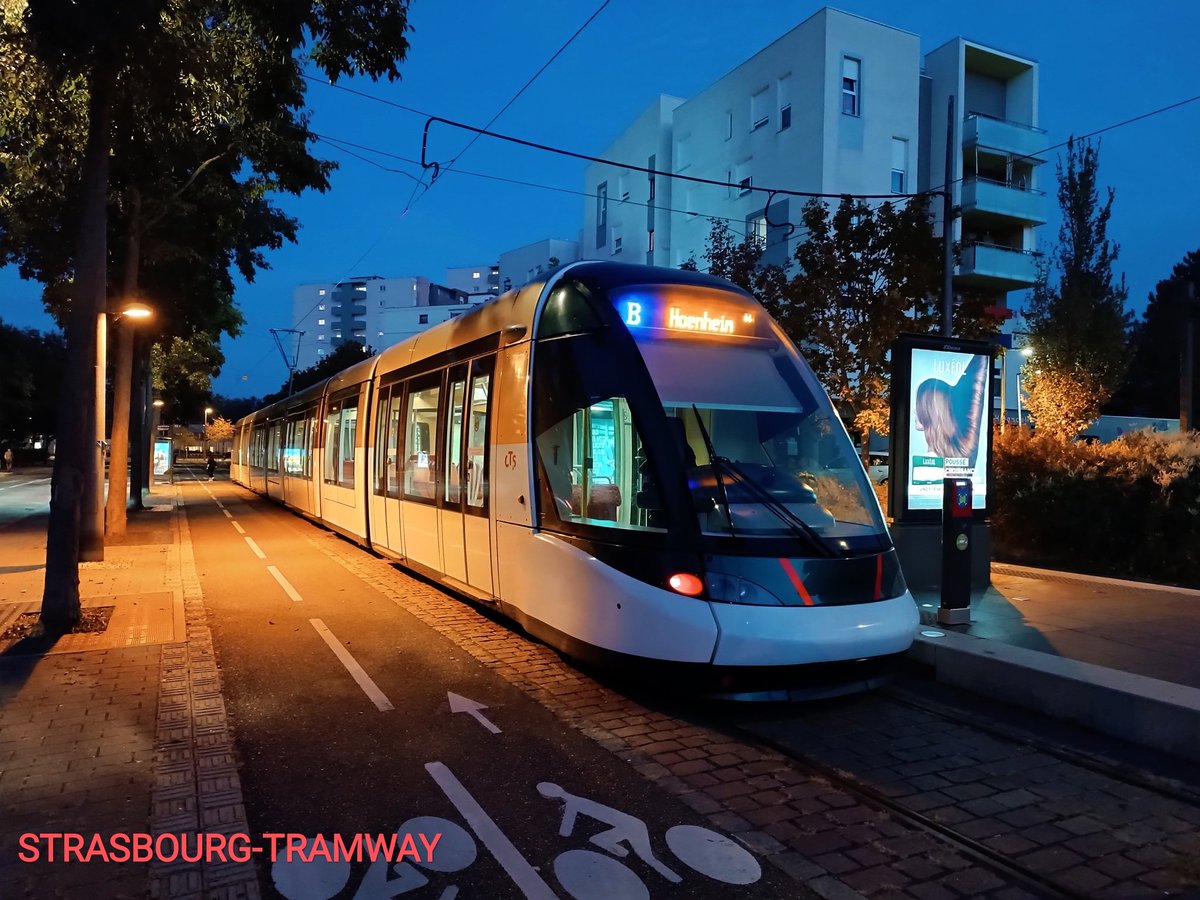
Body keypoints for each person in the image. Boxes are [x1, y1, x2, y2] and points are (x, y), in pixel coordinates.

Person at [914, 354, 988, 464]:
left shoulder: (927, 463)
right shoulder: (962, 451)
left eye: (918, 404)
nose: (914, 411)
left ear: (930, 411)